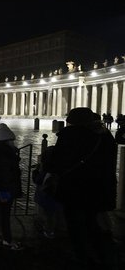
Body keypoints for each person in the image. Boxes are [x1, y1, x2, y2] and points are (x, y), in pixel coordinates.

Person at [48, 107, 118, 268]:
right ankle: (101, 255)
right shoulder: (105, 136)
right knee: (92, 222)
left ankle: (81, 256)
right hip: (99, 188)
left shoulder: (70, 135)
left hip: (74, 187)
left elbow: (57, 162)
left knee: (74, 223)